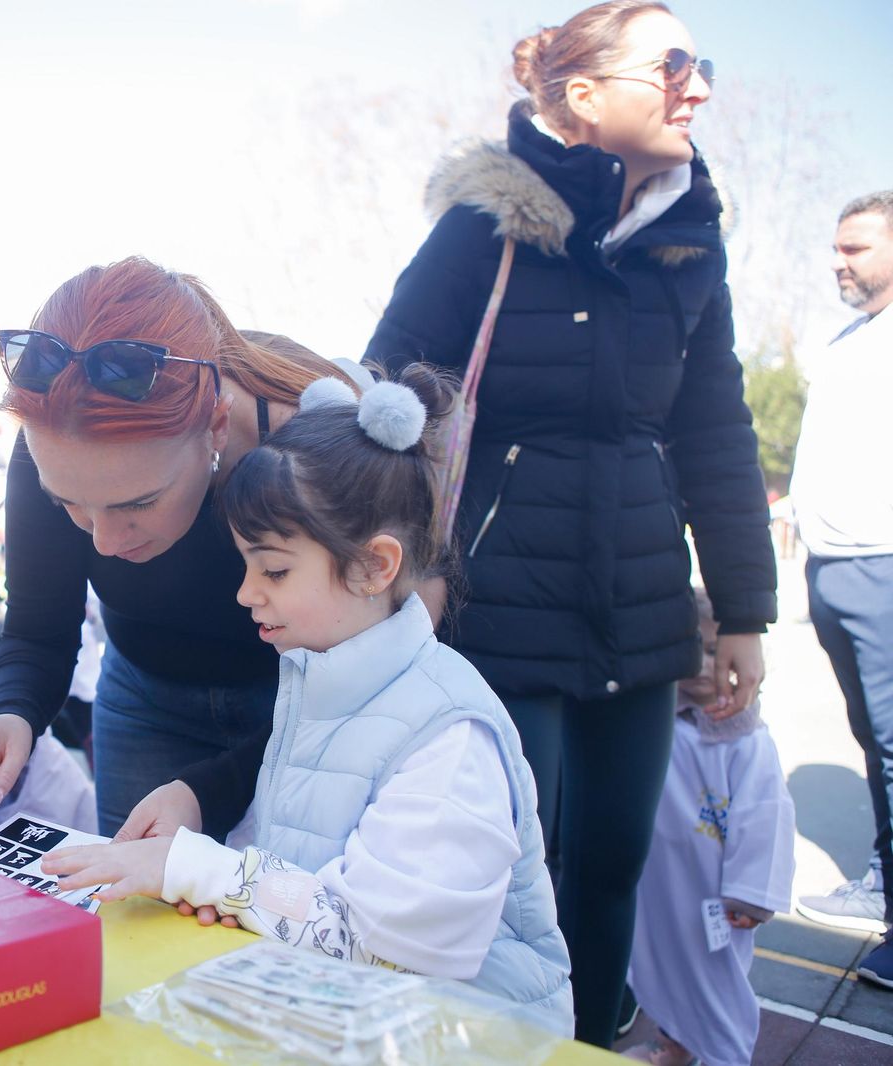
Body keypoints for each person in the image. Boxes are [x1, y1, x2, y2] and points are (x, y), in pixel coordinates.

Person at [359, 2, 776, 1044]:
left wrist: (742, 613)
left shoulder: (688, 246)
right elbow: (386, 395)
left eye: (702, 62)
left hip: (639, 614)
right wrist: (412, 565)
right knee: (511, 872)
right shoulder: (481, 226)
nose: (701, 86)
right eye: (673, 63)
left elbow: (716, 430)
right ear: (583, 98)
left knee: (610, 872)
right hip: (496, 606)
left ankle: (589, 1042)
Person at [43, 370, 572, 1033]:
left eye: (275, 570)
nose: (246, 594)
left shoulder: (448, 738)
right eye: (245, 566)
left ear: (374, 565)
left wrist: (200, 871)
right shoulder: (318, 680)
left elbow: (383, 951)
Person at [0, 257, 337, 837]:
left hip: (309, 706)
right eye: (67, 504)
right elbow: (39, 627)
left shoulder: (307, 447)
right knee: (132, 922)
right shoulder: (52, 441)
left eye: (136, 504)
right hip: (144, 700)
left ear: (218, 427)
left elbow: (356, 675)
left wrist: (211, 791)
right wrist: (13, 711)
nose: (102, 541)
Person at [790, 190, 893, 989]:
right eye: (836, 247)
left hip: (884, 565)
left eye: (855, 247)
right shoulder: (851, 339)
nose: (838, 261)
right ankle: (885, 884)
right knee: (877, 743)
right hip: (835, 568)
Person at [624, 589, 795, 1066]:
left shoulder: (745, 742)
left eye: (716, 651)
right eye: (693, 648)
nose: (703, 664)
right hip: (661, 882)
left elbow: (766, 816)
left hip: (717, 893)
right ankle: (675, 1043)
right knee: (660, 964)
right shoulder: (658, 723)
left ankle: (725, 1053)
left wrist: (751, 892)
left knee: (715, 978)